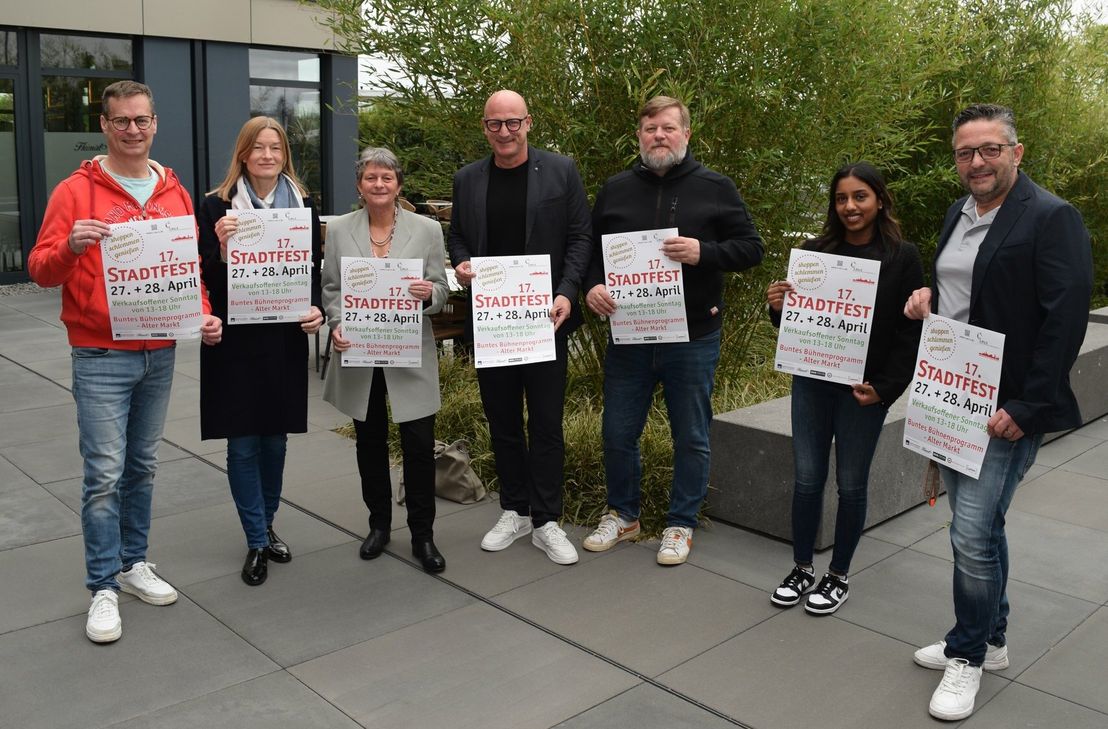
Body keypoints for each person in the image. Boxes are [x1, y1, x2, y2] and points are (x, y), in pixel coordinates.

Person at [903, 104, 1092, 721]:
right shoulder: (957, 214)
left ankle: (968, 655)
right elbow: (967, 290)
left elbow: (1065, 319)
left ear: (1016, 152)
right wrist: (927, 298)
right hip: (953, 394)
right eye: (965, 153)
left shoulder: (1051, 216)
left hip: (1006, 407)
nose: (977, 162)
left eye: (989, 149)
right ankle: (993, 638)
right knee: (979, 530)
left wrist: (1029, 404)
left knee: (970, 533)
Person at [27, 80, 222, 643]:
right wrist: (70, 247)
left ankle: (133, 563)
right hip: (99, 353)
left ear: (154, 123)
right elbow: (40, 269)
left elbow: (186, 271)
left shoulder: (174, 192)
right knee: (104, 474)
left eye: (141, 120)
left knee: (142, 466)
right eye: (121, 121)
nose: (132, 130)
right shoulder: (75, 192)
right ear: (105, 126)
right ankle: (102, 587)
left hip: (158, 351)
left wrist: (203, 313)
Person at [583, 95, 763, 565]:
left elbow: (751, 248)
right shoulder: (616, 189)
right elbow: (589, 252)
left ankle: (681, 523)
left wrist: (705, 252)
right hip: (630, 336)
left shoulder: (715, 187)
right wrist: (592, 286)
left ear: (686, 133)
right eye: (650, 129)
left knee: (691, 436)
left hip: (693, 337)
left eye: (667, 127)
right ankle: (624, 514)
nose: (658, 136)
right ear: (639, 136)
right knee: (617, 433)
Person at [766, 162, 923, 614]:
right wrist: (778, 307)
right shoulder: (814, 252)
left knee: (851, 485)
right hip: (812, 383)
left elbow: (910, 333)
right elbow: (797, 323)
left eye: (860, 196)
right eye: (841, 198)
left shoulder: (902, 256)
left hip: (862, 391)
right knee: (806, 479)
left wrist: (885, 388)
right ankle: (801, 568)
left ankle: (837, 576)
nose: (850, 206)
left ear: (880, 200)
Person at [448, 90, 592, 565]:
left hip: (545, 320)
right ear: (484, 127)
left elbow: (580, 236)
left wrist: (567, 292)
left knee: (546, 423)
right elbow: (458, 236)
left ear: (528, 123)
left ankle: (547, 519)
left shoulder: (561, 171)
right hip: (493, 322)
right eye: (495, 123)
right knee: (503, 420)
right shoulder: (467, 179)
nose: (505, 131)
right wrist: (462, 264)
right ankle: (515, 510)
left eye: (513, 122)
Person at [196, 117, 324, 586]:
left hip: (283, 337)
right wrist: (221, 246)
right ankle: (255, 539)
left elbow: (311, 270)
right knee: (242, 441)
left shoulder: (302, 206)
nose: (267, 156)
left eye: (275, 148)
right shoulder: (216, 205)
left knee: (275, 439)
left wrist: (317, 309)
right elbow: (203, 277)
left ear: (284, 155)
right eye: (258, 147)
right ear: (243, 153)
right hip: (234, 339)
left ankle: (266, 524)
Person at [323, 147, 450, 573]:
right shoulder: (339, 229)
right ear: (359, 185)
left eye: (387, 178)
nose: (379, 184)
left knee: (418, 445)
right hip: (360, 351)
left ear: (398, 185)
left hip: (409, 351)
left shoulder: (427, 229)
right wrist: (337, 323)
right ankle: (378, 524)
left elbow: (440, 288)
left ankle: (423, 535)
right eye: (371, 177)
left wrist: (429, 294)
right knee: (369, 442)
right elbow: (331, 288)